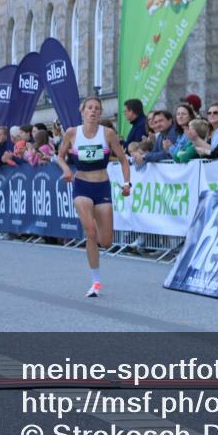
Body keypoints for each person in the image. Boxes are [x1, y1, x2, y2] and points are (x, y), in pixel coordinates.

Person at [56, 97, 131, 298]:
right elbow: (59, 156)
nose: (93, 111)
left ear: (100, 113)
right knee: (90, 232)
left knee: (106, 241)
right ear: (82, 111)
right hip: (81, 186)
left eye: (97, 108)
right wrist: (65, 169)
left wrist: (126, 183)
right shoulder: (72, 133)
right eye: (89, 108)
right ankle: (95, 282)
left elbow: (123, 160)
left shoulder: (108, 134)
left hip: (102, 187)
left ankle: (96, 228)